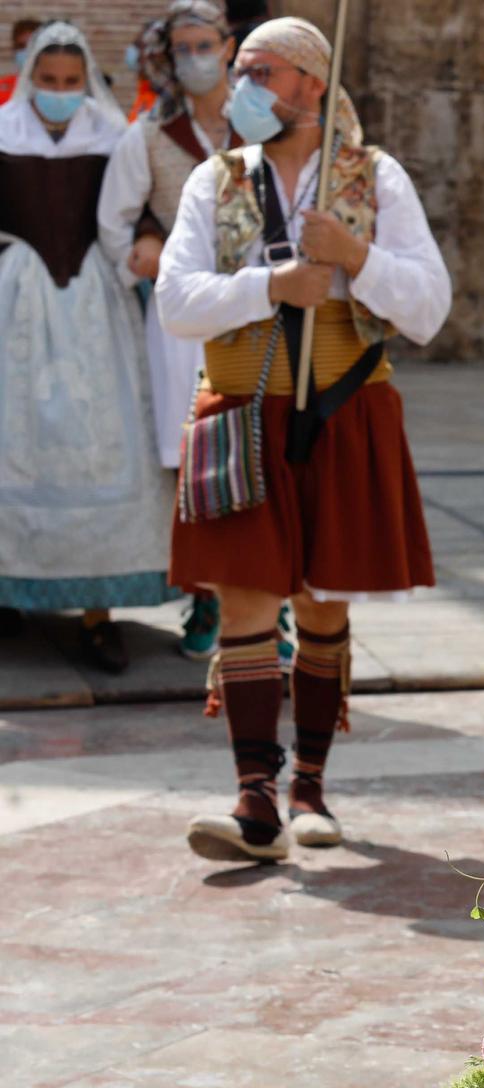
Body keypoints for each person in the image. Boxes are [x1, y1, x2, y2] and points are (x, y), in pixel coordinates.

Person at [157, 16, 450, 861]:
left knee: (323, 602)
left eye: (262, 71)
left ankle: (310, 788)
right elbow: (177, 301)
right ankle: (254, 800)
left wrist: (354, 254)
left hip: (343, 413)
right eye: (239, 69)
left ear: (312, 85)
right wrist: (271, 283)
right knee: (244, 603)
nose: (241, 83)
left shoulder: (374, 176)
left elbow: (429, 307)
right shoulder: (213, 183)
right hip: (241, 413)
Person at [0, 21, 172, 671]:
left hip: (95, 305)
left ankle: (99, 613)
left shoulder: (115, 137)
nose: (60, 92)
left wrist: (149, 238)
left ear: (87, 81)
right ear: (29, 77)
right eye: (48, 81)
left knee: (99, 448)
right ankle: (9, 588)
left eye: (71, 82)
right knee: (13, 448)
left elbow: (142, 203)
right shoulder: (2, 132)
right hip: (14, 303)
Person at [98, 0, 241, 661]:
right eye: (182, 48)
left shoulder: (267, 126)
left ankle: (269, 597)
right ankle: (208, 594)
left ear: (230, 44)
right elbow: (115, 217)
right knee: (193, 461)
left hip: (260, 310)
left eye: (204, 43)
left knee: (266, 453)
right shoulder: (152, 133)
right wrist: (142, 250)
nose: (194, 58)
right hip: (182, 323)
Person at [0, 18, 43, 104]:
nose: (26, 51)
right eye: (21, 46)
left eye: (32, 45)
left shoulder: (55, 91)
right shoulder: (2, 87)